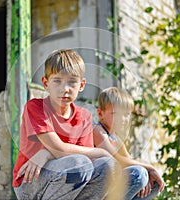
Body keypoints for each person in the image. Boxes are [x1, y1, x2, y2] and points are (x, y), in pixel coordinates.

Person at [12, 49, 117, 200]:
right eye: (57, 81)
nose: (64, 89)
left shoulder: (84, 116)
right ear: (45, 83)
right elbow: (61, 151)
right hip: (30, 180)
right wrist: (102, 152)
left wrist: (47, 153)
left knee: (107, 165)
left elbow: (87, 155)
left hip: (66, 179)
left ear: (81, 85)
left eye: (72, 82)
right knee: (80, 164)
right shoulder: (35, 107)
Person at [93, 87, 165, 200]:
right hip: (100, 188)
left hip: (115, 187)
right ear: (100, 113)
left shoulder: (117, 139)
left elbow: (130, 161)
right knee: (139, 174)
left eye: (126, 114)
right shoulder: (98, 130)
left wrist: (146, 175)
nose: (122, 119)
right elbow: (117, 159)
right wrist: (149, 168)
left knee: (153, 183)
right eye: (115, 113)